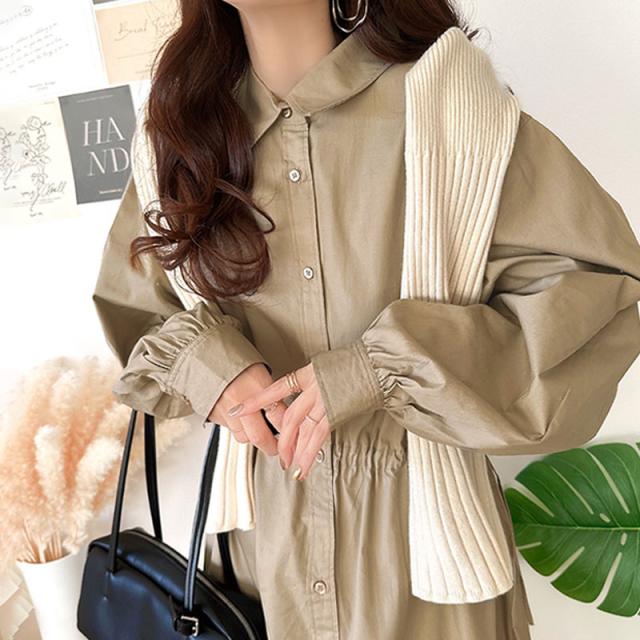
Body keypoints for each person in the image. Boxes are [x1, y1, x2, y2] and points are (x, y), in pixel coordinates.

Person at [92, 1, 640, 638]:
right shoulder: (181, 134)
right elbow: (140, 308)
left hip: (427, 551)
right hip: (260, 554)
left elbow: (593, 297)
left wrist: (377, 370)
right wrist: (211, 366)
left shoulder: (449, 109)